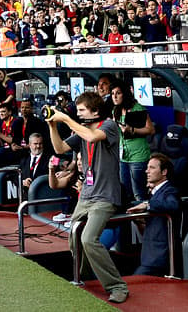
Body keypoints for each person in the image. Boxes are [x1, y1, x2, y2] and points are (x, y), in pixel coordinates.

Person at [46, 91, 129, 303]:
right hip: (86, 195)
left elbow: (92, 136)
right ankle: (83, 276)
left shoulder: (108, 126)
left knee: (88, 239)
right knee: (74, 238)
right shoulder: (81, 131)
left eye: (82, 110)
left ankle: (117, 286)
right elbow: (59, 148)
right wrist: (52, 125)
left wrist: (65, 118)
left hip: (105, 197)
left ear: (95, 110)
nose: (78, 113)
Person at [126, 153, 181, 276]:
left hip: (160, 256)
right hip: (150, 255)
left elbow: (173, 205)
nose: (147, 171)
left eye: (152, 168)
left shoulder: (170, 190)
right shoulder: (154, 193)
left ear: (164, 172)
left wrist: (147, 205)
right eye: (147, 167)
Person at [111, 79, 154, 203]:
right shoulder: (116, 110)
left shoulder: (137, 108)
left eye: (118, 93)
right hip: (122, 156)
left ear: (125, 93)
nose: (114, 96)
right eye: (113, 93)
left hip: (138, 156)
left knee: (139, 193)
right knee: (126, 191)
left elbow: (150, 129)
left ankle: (143, 220)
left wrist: (132, 130)